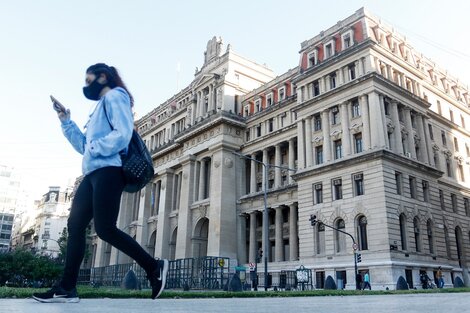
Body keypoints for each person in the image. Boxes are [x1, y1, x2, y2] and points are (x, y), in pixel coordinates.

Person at [33, 63, 168, 303]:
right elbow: (84, 146)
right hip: (92, 172)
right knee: (75, 226)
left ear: (103, 77)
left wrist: (95, 148)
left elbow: (123, 133)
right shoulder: (97, 109)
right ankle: (67, 287)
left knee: (105, 229)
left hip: (109, 170)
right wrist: (66, 121)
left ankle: (154, 267)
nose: (87, 84)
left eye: (89, 79)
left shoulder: (117, 96)